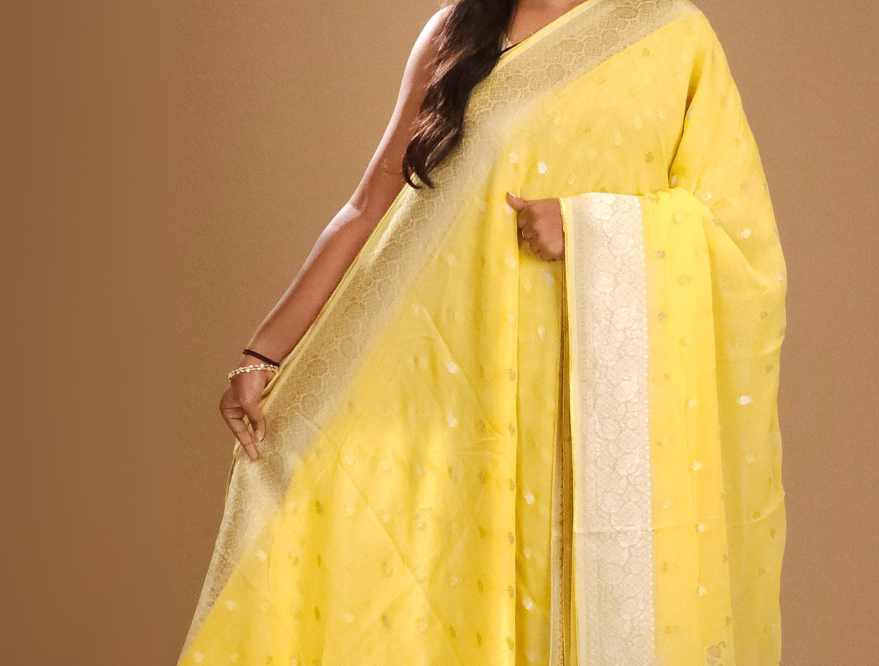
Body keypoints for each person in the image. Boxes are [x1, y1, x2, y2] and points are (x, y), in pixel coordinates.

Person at [179, 0, 788, 664]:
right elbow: (368, 205)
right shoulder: (457, 31)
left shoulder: (670, 33)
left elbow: (735, 233)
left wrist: (586, 227)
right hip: (458, 387)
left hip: (594, 401)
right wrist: (262, 353)